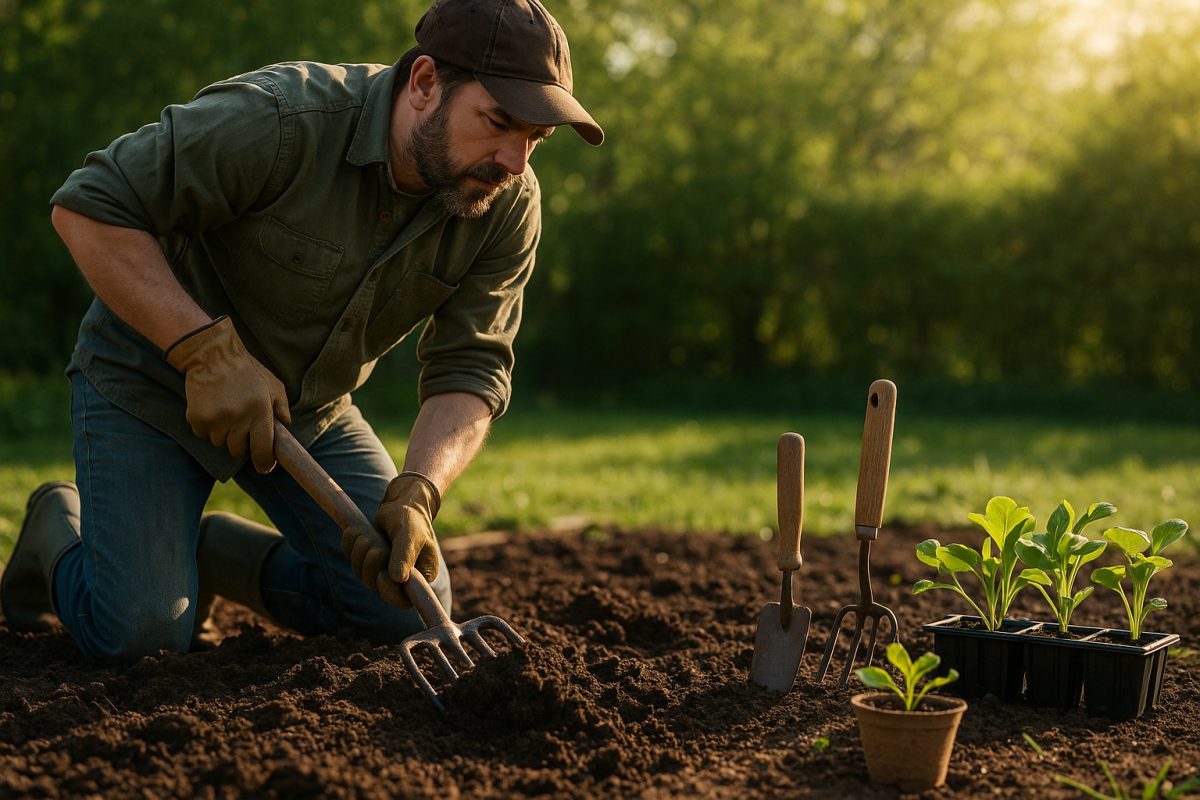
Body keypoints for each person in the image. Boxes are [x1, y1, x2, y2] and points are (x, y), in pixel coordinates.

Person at [0, 0, 602, 663]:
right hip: (149, 383)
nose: (515, 160)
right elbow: (88, 204)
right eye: (498, 124)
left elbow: (473, 366)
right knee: (140, 637)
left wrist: (420, 489)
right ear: (426, 82)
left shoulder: (503, 201)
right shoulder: (282, 120)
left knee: (402, 608)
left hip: (309, 411)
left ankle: (216, 554)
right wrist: (201, 350)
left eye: (535, 139)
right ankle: (57, 527)